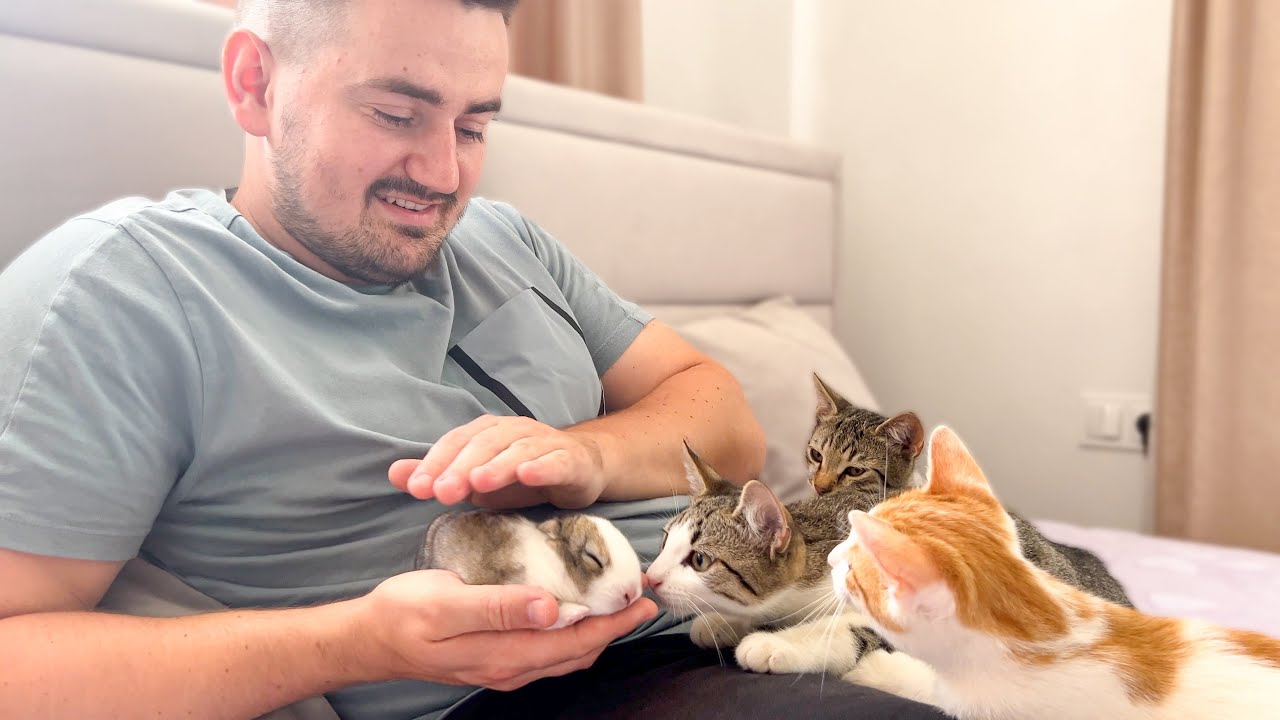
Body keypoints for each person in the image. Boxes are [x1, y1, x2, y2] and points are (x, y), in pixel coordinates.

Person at [0, 1, 947, 719]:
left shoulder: (507, 242)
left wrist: (590, 455)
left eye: (475, 126)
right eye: (398, 114)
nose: (445, 175)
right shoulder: (123, 291)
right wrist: (353, 644)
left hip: (772, 604)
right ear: (255, 82)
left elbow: (726, 422)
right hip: (561, 692)